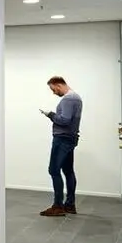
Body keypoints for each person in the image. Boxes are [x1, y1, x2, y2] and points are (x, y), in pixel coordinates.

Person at [38, 76, 82, 217]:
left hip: (62, 139)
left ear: (58, 85)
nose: (53, 92)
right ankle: (70, 205)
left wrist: (50, 114)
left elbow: (65, 120)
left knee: (53, 170)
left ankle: (58, 206)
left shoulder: (68, 99)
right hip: (70, 138)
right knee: (68, 171)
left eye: (53, 89)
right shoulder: (76, 97)